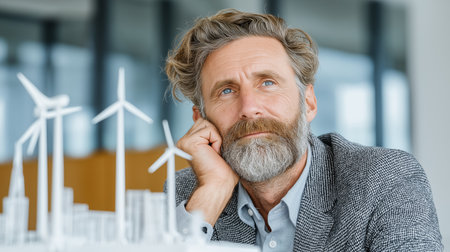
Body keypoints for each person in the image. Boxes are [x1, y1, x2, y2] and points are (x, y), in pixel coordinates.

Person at [164, 9, 443, 251]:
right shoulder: (190, 196)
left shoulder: (383, 180)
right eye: (226, 90)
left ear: (308, 103)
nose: (249, 107)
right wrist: (212, 192)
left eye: (268, 83)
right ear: (200, 119)